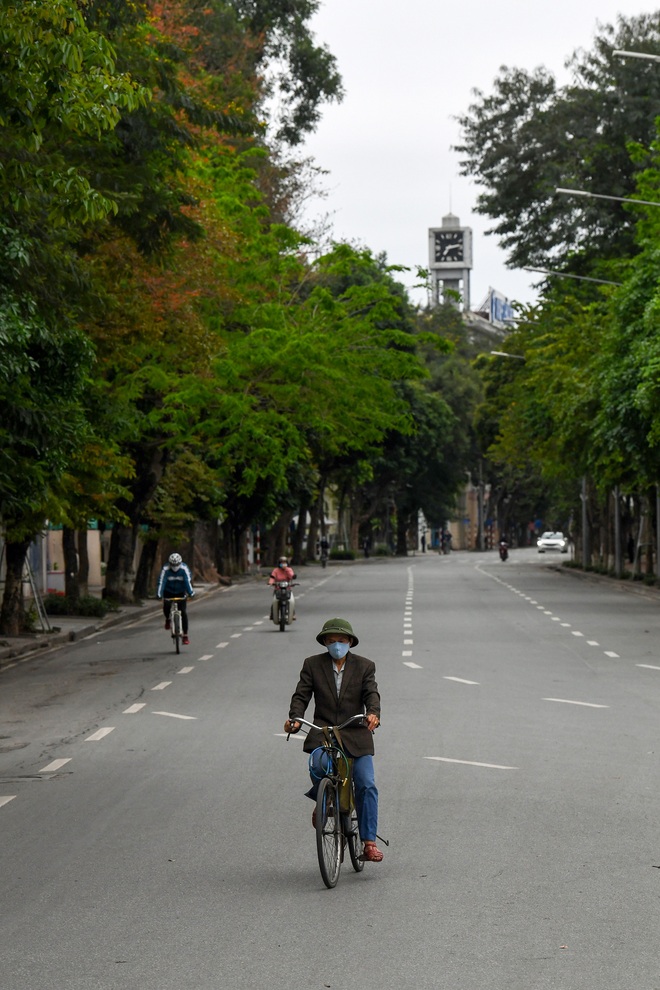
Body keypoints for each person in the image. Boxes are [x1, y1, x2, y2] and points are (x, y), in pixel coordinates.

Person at [284, 617, 383, 863]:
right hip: (323, 732)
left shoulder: (365, 666)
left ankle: (369, 842)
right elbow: (301, 696)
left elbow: (372, 693)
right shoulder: (312, 665)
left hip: (355, 732)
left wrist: (373, 714)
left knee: (366, 783)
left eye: (340, 641)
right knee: (318, 765)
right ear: (324, 643)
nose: (336, 645)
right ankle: (324, 798)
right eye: (331, 641)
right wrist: (295, 719)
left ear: (349, 642)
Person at [157, 552, 195, 645]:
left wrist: (191, 593)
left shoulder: (184, 569)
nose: (175, 567)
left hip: (181, 592)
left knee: (183, 613)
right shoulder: (165, 569)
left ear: (180, 563)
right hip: (168, 592)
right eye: (173, 565)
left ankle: (185, 635)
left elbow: (187, 581)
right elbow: (161, 582)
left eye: (176, 565)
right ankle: (167, 619)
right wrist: (159, 594)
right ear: (170, 564)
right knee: (166, 606)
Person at [268, 555, 296, 622]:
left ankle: (293, 614)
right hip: (278, 589)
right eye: (282, 562)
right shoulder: (276, 570)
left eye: (284, 562)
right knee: (274, 601)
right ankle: (272, 614)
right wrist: (271, 583)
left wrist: (287, 570)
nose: (283, 564)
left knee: (291, 601)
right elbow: (272, 577)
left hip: (287, 589)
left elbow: (292, 576)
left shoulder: (289, 570)